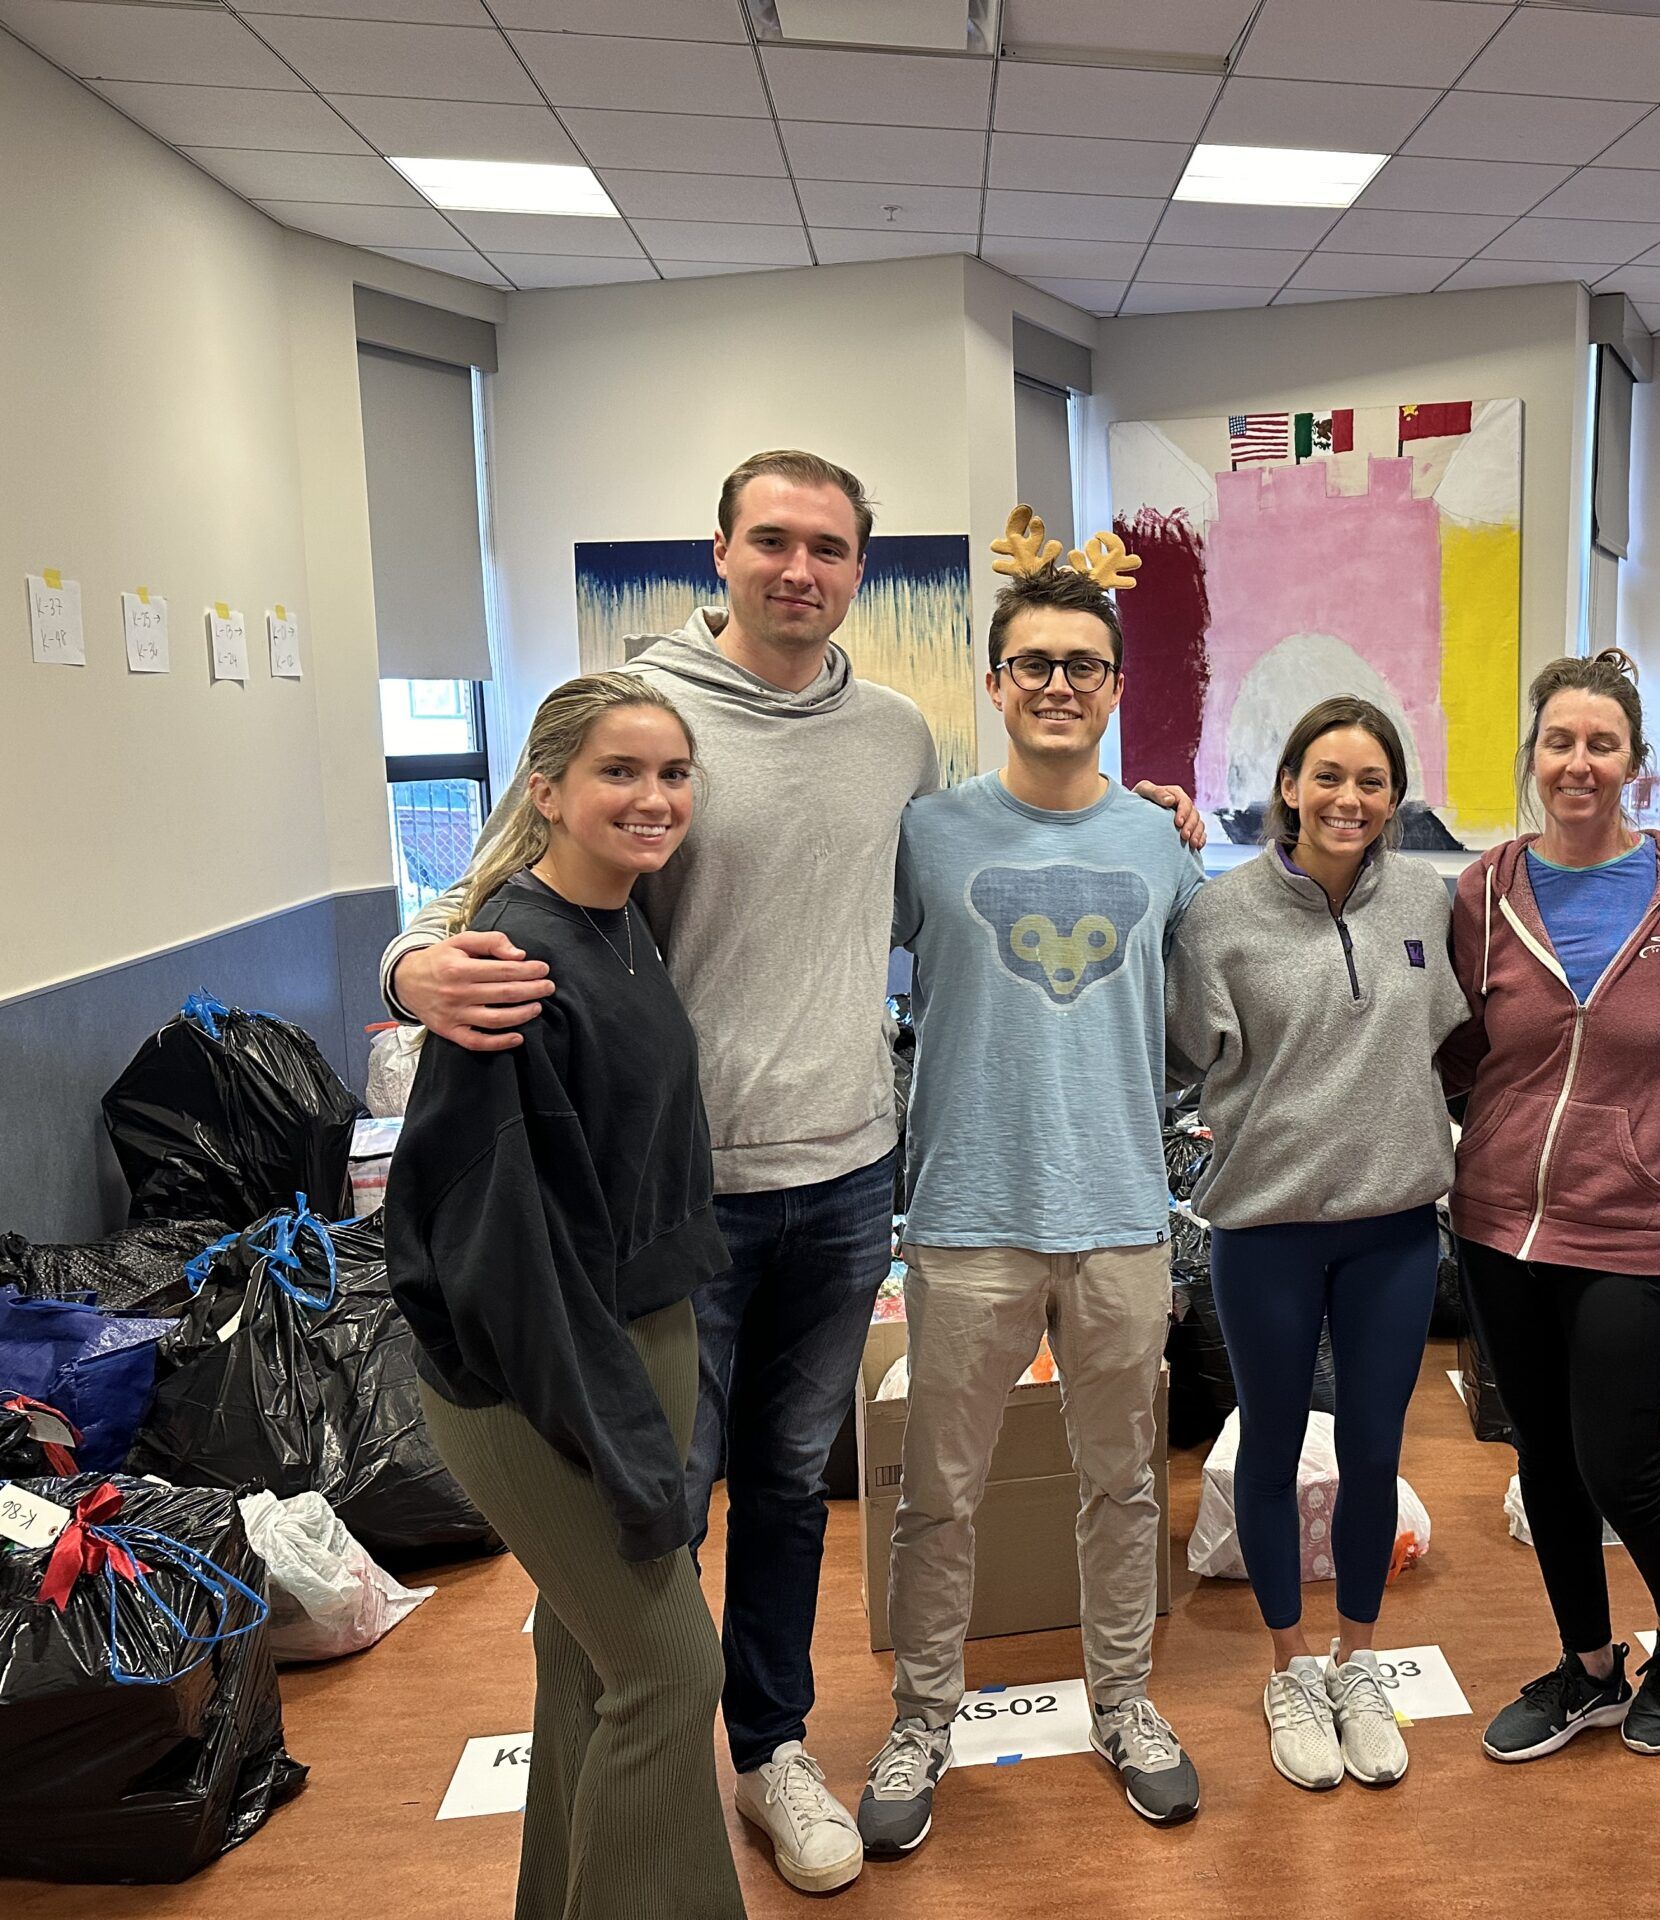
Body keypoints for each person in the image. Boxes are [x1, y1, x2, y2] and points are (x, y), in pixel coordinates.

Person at [381, 454, 1197, 1896]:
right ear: (722, 551)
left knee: (783, 1493)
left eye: (828, 547)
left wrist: (1167, 818)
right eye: (772, 540)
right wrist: (408, 962)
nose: (798, 570)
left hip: (844, 1181)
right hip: (680, 1203)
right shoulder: (650, 710)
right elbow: (530, 865)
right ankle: (641, 1759)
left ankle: (771, 1749)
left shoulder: (897, 742)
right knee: (647, 1508)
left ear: (861, 574)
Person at [857, 518, 1204, 1854]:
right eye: (1031, 663)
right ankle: (924, 1716)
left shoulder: (1167, 841)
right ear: (993, 685)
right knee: (940, 1495)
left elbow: (1199, 1009)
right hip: (963, 1221)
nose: (1057, 683)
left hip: (1119, 1216)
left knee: (1123, 1488)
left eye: (1082, 664)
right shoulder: (927, 836)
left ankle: (1124, 1702)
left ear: (1115, 687)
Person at [387, 675, 742, 1920]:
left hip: (636, 1331)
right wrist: (621, 1437)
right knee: (665, 1670)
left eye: (673, 775)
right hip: (534, 1367)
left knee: (586, 1661)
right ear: (543, 789)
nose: (653, 800)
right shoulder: (514, 966)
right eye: (618, 773)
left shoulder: (624, 920)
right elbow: (505, 1254)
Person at [1441, 648, 1660, 1766]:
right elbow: (1453, 1047)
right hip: (1493, 1223)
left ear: (1634, 763)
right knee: (1543, 1461)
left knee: (1617, 1460)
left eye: (1601, 743)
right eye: (1559, 741)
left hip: (1626, 1224)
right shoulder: (1483, 891)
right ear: (1533, 753)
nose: (1579, 762)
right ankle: (1586, 1666)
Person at [1167, 697, 1468, 1793]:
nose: (1349, 799)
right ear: (1287, 784)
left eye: (1372, 781)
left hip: (1392, 1228)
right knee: (1272, 1440)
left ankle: (1358, 1660)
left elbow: (1447, 1036)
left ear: (1395, 796)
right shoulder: (1220, 915)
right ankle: (1287, 1668)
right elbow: (1189, 1052)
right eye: (1327, 777)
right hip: (1267, 1231)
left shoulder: (1429, 903)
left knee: (1377, 1452)